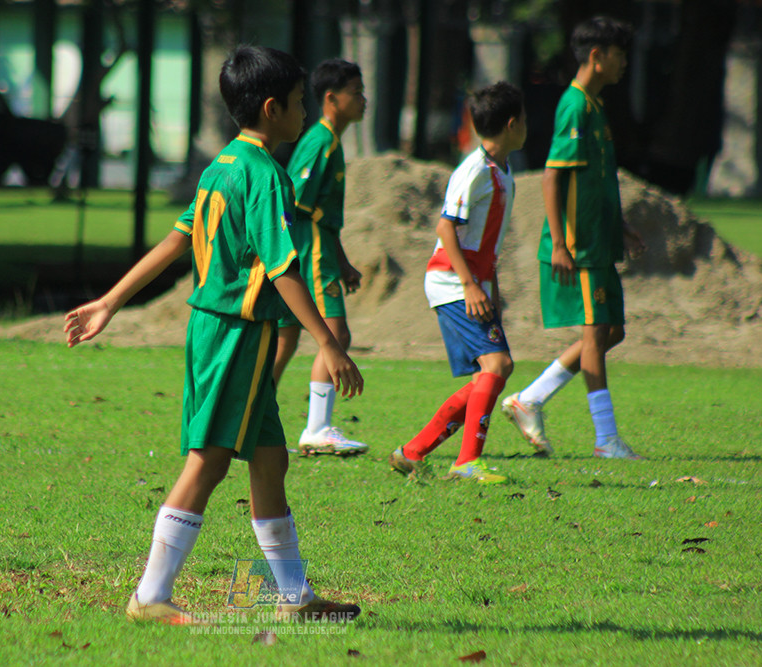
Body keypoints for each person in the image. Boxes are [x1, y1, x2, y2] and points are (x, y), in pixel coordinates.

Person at [64, 45, 364, 626]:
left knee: (270, 461)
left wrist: (110, 301)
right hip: (236, 334)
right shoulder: (265, 174)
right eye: (298, 103)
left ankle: (294, 596)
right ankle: (150, 597)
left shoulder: (221, 164)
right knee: (209, 462)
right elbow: (283, 268)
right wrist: (328, 342)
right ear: (273, 109)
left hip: (219, 330)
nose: (304, 113)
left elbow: (176, 241)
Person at [500, 16, 646, 460]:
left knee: (612, 331)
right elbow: (552, 176)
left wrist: (620, 224)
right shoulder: (575, 106)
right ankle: (606, 440)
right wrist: (561, 244)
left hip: (599, 241)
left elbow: (595, 179)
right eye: (620, 55)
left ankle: (531, 398)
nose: (624, 64)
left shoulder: (595, 106)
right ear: (597, 56)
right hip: (579, 245)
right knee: (597, 332)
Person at [389, 81, 527, 484]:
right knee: (497, 365)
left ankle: (412, 453)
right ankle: (467, 462)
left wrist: (490, 289)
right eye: (525, 120)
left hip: (469, 281)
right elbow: (446, 227)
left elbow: (485, 239)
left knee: (489, 374)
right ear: (513, 124)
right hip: (452, 281)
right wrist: (469, 285)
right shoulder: (474, 170)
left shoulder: (502, 171)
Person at [272, 59, 369, 456]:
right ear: (332, 98)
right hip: (310, 248)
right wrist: (300, 253)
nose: (363, 100)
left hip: (316, 246)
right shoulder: (321, 141)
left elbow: (322, 215)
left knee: (285, 340)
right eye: (356, 92)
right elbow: (295, 202)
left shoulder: (330, 141)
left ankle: (248, 414)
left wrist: (341, 260)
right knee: (335, 334)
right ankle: (317, 428)